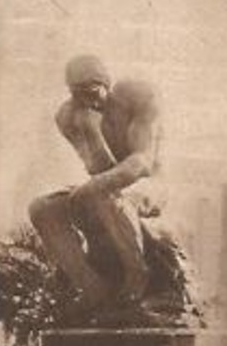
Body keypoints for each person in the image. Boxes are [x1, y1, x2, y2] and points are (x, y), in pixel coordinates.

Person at [27, 54, 197, 326]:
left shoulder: (138, 96)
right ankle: (93, 288)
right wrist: (91, 130)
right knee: (43, 208)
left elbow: (142, 162)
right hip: (106, 190)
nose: (86, 99)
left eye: (91, 90)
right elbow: (99, 167)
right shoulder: (67, 116)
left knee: (103, 191)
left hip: (149, 185)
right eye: (77, 94)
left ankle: (137, 274)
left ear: (105, 82)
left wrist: (98, 184)